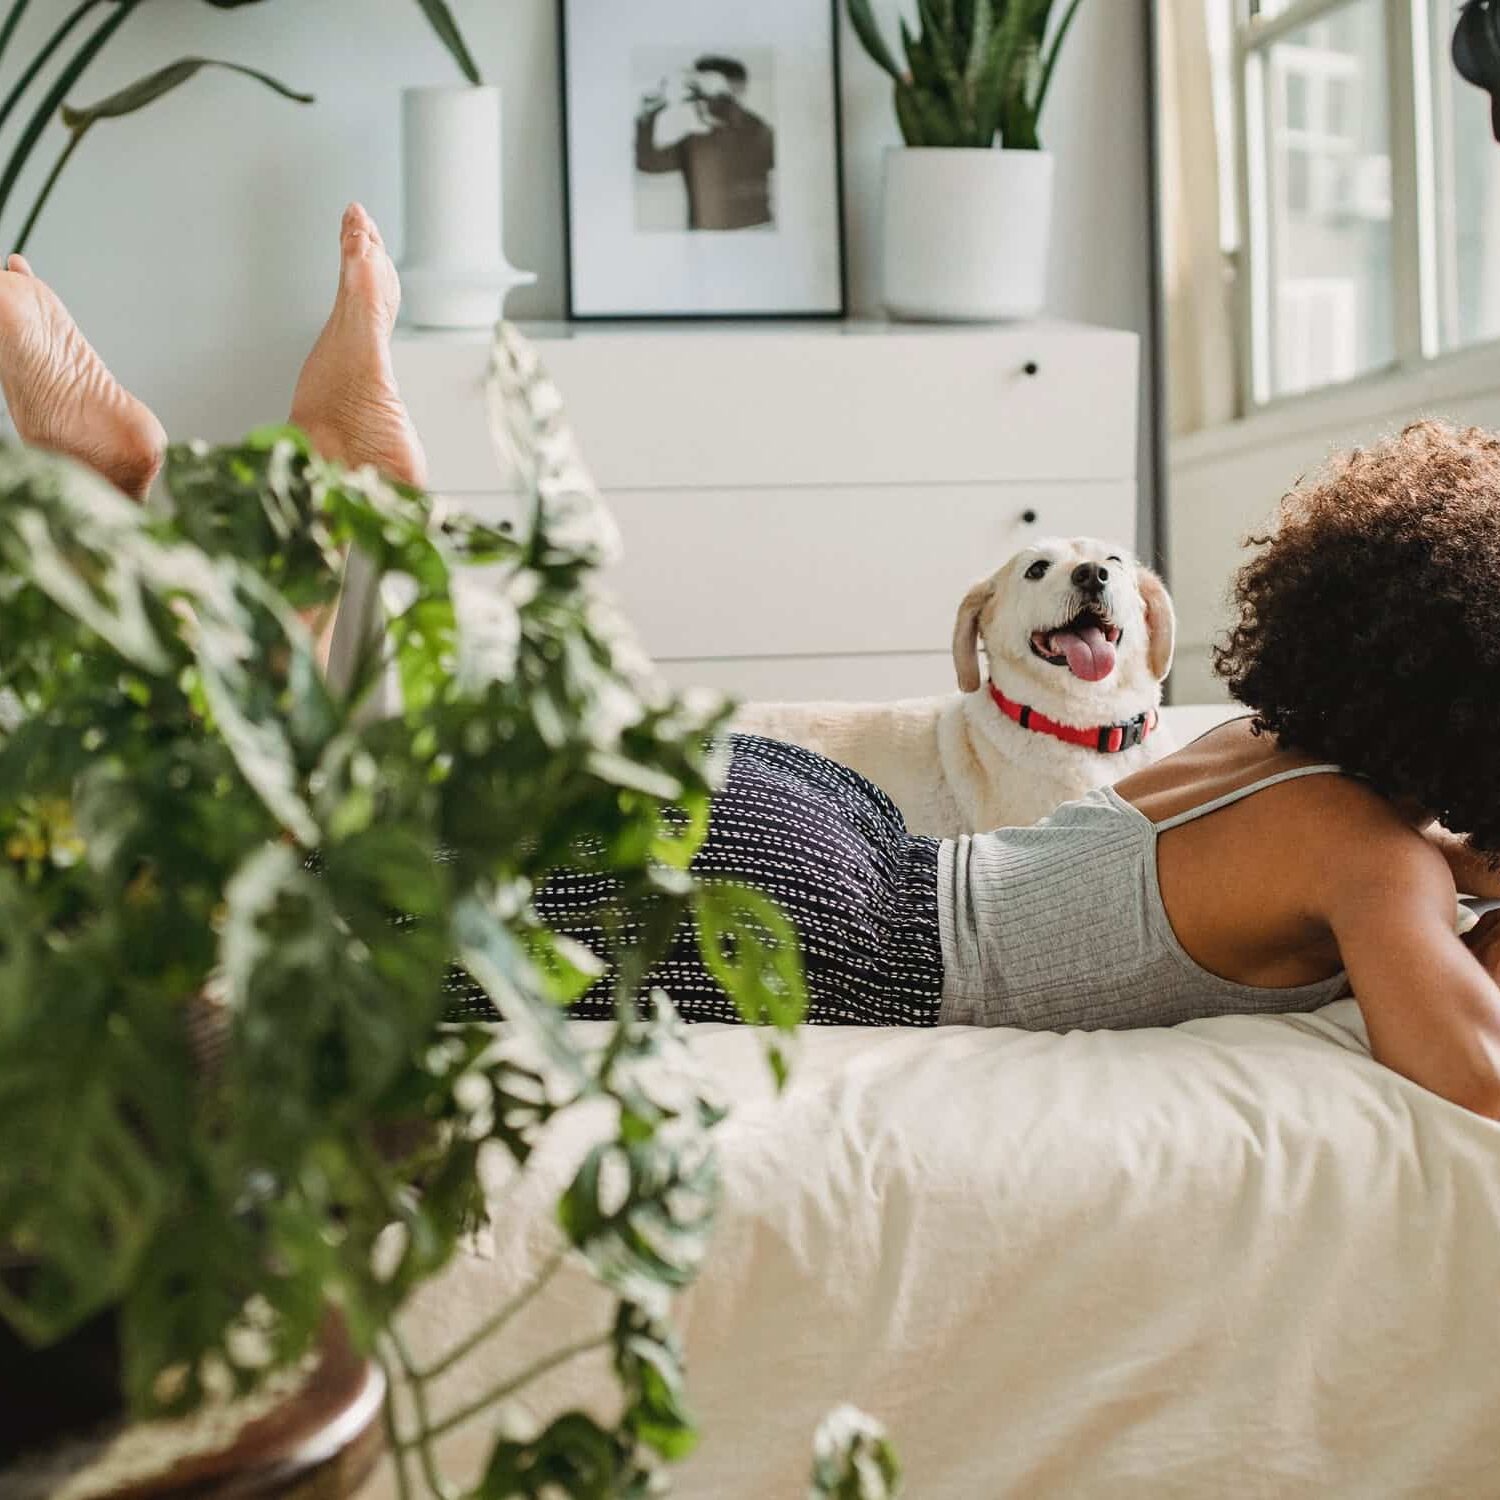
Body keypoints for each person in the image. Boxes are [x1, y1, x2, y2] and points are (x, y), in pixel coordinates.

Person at [8, 209, 1500, 1124]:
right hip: (850, 932)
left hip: (829, 828)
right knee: (346, 895)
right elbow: (1471, 1068)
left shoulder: (1254, 742)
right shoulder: (1377, 865)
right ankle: (184, 505)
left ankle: (332, 505)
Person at [634, 55, 774, 231]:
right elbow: (648, 163)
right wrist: (648, 114)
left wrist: (720, 96)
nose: (702, 101)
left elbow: (741, 129)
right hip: (703, 243)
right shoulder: (696, 142)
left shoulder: (758, 132)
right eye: (699, 95)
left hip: (755, 235)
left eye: (709, 94)